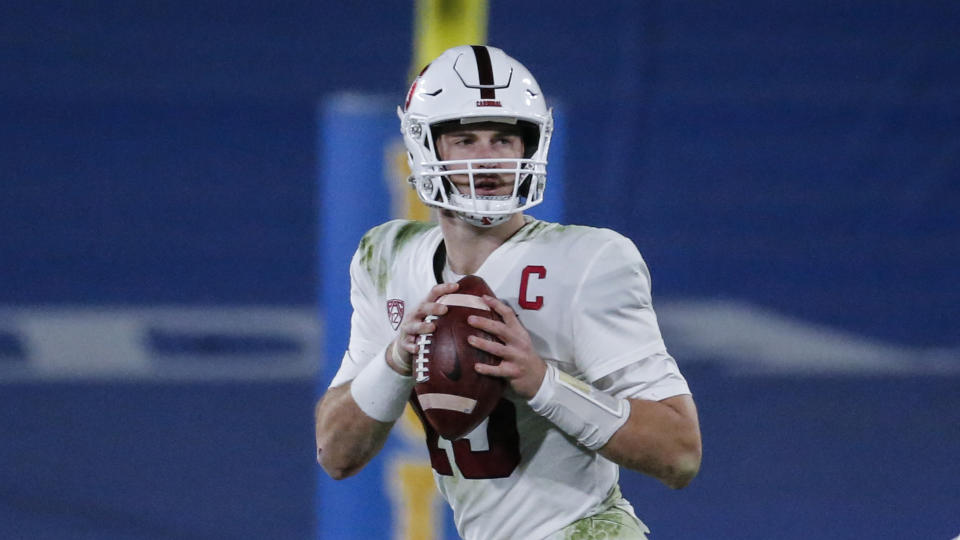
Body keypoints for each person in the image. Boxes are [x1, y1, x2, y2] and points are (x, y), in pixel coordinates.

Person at [315, 45, 702, 540]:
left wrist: (543, 383)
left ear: (530, 145)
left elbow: (680, 452)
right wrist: (395, 360)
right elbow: (336, 454)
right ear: (423, 146)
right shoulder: (385, 257)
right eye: (465, 140)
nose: (488, 159)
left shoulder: (589, 261)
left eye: (503, 138)